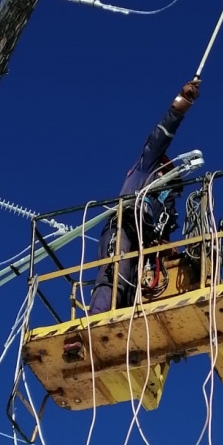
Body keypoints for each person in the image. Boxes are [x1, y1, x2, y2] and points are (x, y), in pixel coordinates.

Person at [87, 80, 201, 315]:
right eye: (166, 169)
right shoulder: (145, 169)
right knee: (115, 271)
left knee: (138, 285)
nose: (168, 174)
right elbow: (160, 138)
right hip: (125, 223)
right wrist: (181, 105)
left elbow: (165, 236)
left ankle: (129, 320)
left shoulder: (167, 204)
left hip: (147, 242)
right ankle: (98, 316)